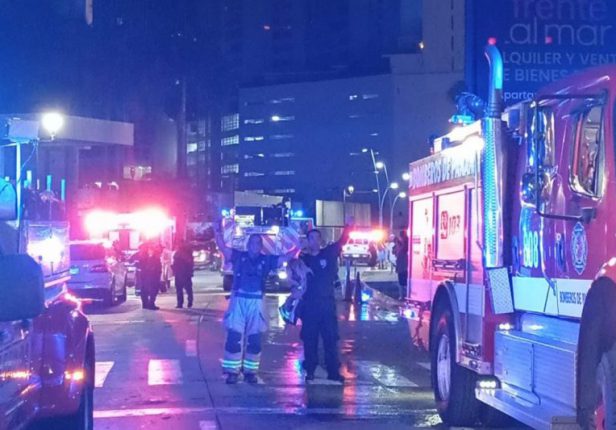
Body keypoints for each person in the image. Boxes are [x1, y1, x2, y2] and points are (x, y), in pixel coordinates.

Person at [214, 226, 295, 384]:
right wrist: (217, 232)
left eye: (258, 243)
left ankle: (250, 372)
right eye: (252, 242)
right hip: (239, 299)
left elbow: (284, 258)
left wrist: (297, 247)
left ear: (261, 246)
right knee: (234, 336)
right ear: (247, 244)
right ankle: (232, 372)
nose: (255, 245)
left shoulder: (266, 260)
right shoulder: (238, 256)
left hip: (257, 301)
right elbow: (223, 247)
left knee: (254, 338)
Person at [300, 227, 349, 384]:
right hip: (309, 306)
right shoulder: (303, 259)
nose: (314, 241)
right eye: (311, 238)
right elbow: (291, 271)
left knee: (330, 339)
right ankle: (310, 371)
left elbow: (342, 240)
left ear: (321, 240)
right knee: (309, 340)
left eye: (317, 238)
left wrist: (349, 226)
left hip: (327, 305)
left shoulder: (328, 253)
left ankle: (333, 372)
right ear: (307, 241)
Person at [136, 244, 162, 310]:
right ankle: (150, 304)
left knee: (145, 289)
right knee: (153, 289)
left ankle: (145, 304)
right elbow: (156, 266)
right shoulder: (150, 255)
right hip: (151, 275)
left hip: (145, 274)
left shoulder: (141, 255)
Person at [172, 243, 194, 308]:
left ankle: (181, 303)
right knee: (187, 288)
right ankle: (188, 301)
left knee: (181, 288)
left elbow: (175, 263)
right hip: (184, 273)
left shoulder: (179, 253)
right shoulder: (185, 254)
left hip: (182, 273)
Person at [395, 230, 409, 301]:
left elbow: (399, 258)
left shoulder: (402, 248)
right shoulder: (405, 245)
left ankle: (402, 296)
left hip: (402, 268)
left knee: (402, 283)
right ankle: (404, 295)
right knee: (404, 283)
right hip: (404, 267)